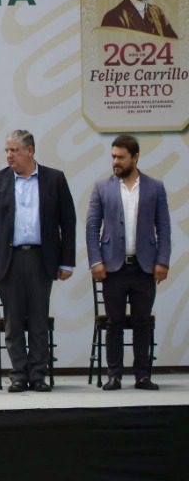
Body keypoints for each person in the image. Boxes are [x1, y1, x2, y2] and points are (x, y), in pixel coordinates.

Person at [0, 129, 76, 393]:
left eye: (14, 150)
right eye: (7, 150)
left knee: (39, 320)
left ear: (30, 151)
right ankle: (19, 374)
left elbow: (68, 221)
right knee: (14, 321)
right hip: (8, 259)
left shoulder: (54, 179)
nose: (9, 155)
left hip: (42, 258)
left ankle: (38, 374)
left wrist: (67, 262)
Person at [86, 135, 172, 390]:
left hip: (144, 267)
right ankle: (114, 374)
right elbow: (92, 228)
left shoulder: (155, 187)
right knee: (114, 323)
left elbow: (164, 228)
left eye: (121, 157)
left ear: (135, 157)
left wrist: (163, 261)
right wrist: (95, 261)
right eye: (113, 156)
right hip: (113, 268)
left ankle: (142, 375)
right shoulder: (102, 187)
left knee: (141, 322)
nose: (116, 162)